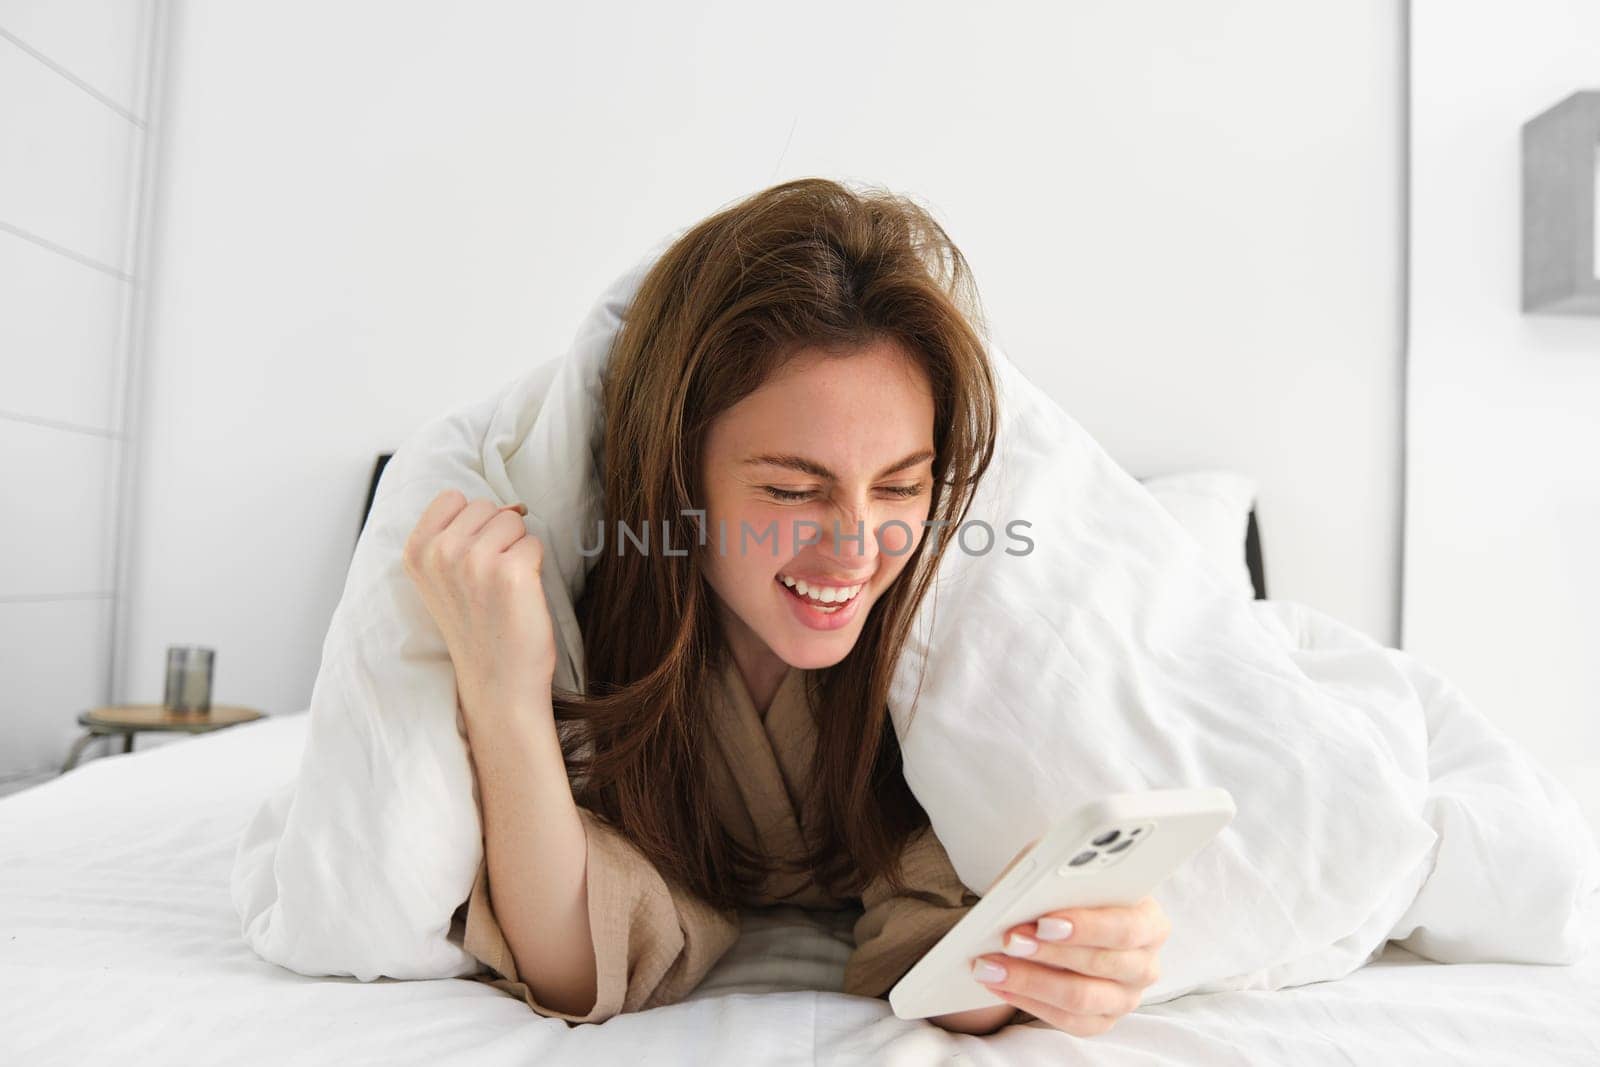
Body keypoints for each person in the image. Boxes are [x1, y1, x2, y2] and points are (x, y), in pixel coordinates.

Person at [402, 178, 1170, 1037]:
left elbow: (941, 962)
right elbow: (573, 966)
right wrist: (503, 689)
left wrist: (1043, 945)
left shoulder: (943, 645)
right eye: (793, 490)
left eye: (901, 485)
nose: (855, 546)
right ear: (678, 477)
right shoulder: (605, 623)